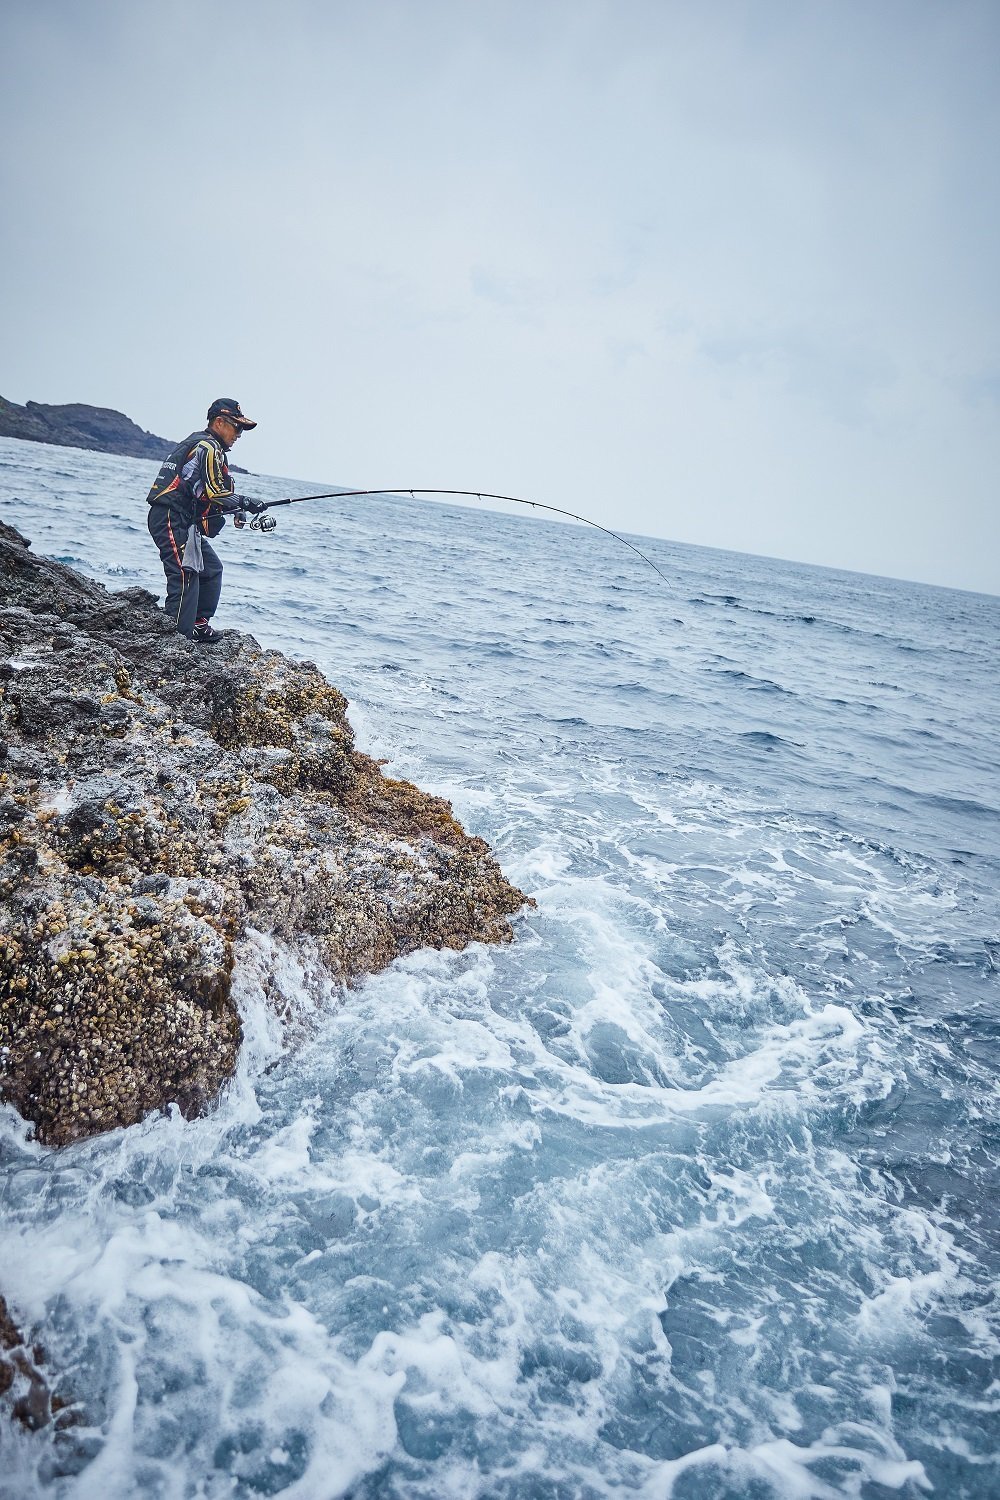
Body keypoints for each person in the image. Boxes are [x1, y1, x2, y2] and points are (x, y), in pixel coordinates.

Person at [146, 398, 266, 643]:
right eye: (237, 426)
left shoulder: (206, 445)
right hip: (170, 516)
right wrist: (246, 502)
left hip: (184, 521)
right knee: (184, 575)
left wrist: (237, 510)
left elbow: (212, 490)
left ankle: (199, 624)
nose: (239, 434)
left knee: (210, 570)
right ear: (219, 422)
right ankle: (175, 640)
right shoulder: (208, 447)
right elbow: (215, 492)